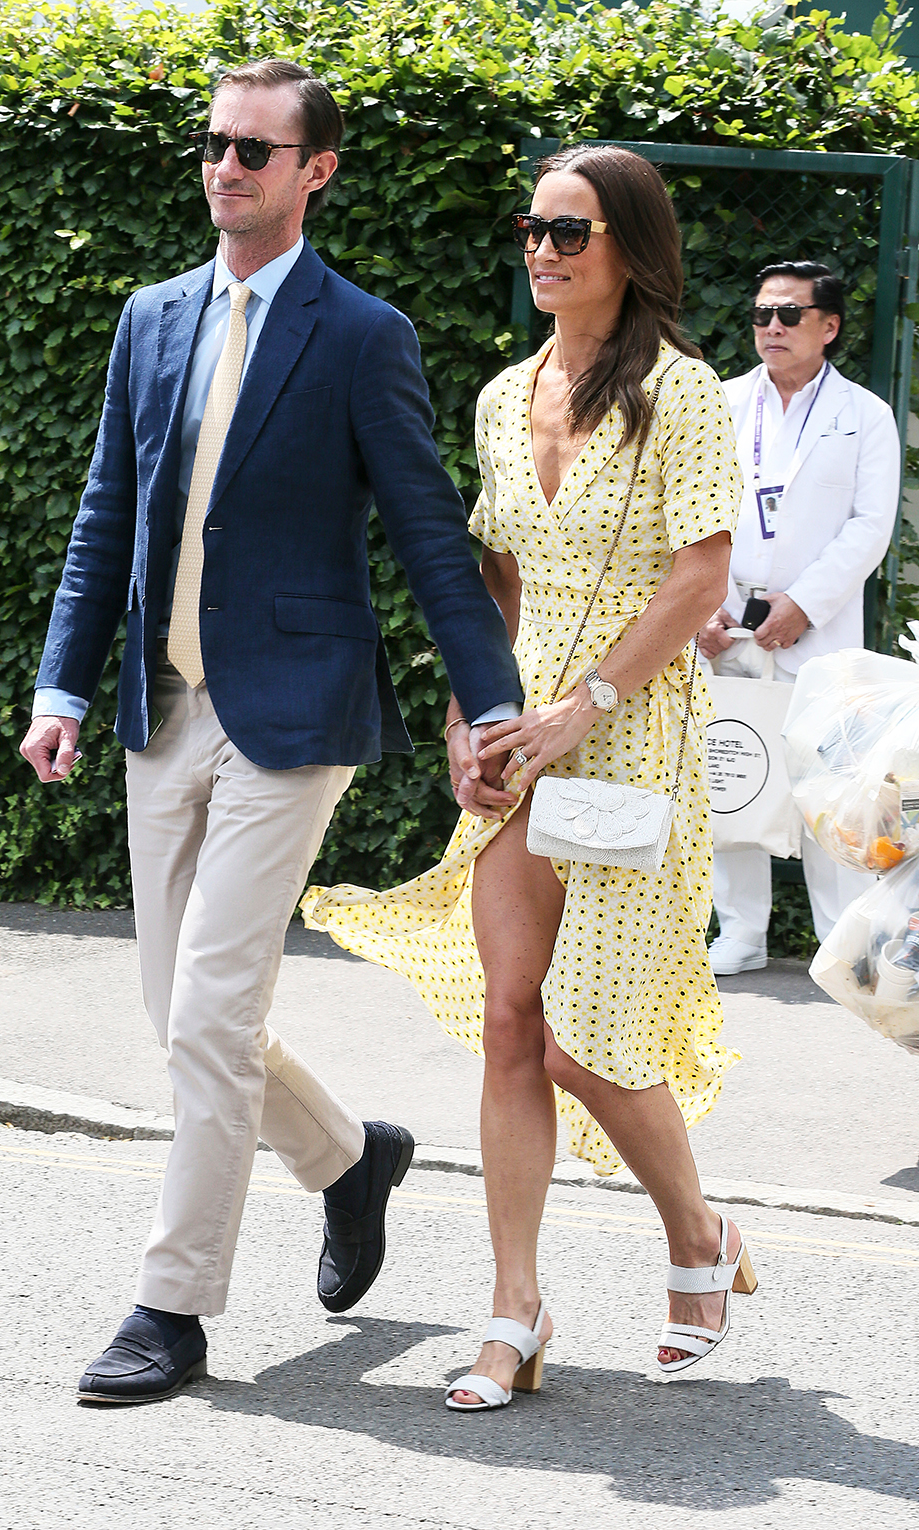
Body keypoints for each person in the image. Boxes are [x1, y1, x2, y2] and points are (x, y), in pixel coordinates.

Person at [18, 58, 522, 1406]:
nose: (226, 165)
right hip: (160, 707)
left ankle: (172, 1307)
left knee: (213, 1006)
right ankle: (350, 1158)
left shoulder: (363, 334)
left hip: (292, 717)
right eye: (215, 144)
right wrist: (62, 687)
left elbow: (424, 532)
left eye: (256, 149)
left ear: (316, 171)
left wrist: (494, 697)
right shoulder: (151, 318)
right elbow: (104, 516)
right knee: (178, 1014)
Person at [304, 144, 758, 1407]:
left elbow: (698, 580)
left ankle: (697, 1234)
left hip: (629, 725)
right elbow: (491, 580)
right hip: (519, 724)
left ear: (629, 249)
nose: (543, 252)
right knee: (512, 1024)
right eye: (533, 228)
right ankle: (514, 1311)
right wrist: (470, 710)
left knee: (587, 1037)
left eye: (571, 232)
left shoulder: (686, 393)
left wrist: (584, 705)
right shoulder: (506, 394)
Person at [700, 262, 901, 976]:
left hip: (818, 626)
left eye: (789, 314)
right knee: (732, 764)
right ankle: (742, 933)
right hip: (723, 615)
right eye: (761, 315)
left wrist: (804, 605)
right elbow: (688, 515)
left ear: (830, 326)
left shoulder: (865, 416)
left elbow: (869, 527)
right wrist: (703, 605)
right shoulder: (719, 404)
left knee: (829, 784)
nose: (773, 327)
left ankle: (839, 939)